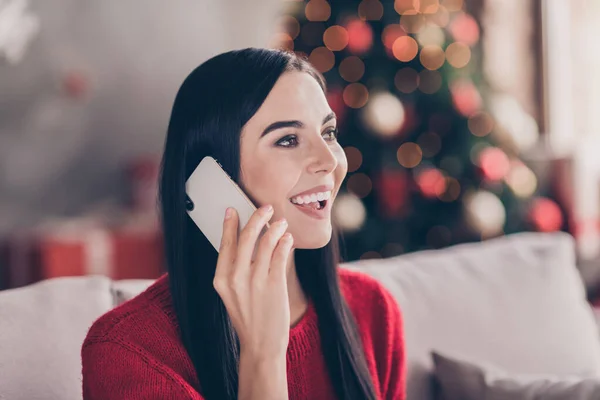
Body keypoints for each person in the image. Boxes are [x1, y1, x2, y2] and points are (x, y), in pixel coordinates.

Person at [81, 47, 406, 400]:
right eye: (288, 140)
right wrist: (263, 354)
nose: (329, 160)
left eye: (328, 133)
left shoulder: (372, 309)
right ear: (212, 181)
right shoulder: (127, 352)